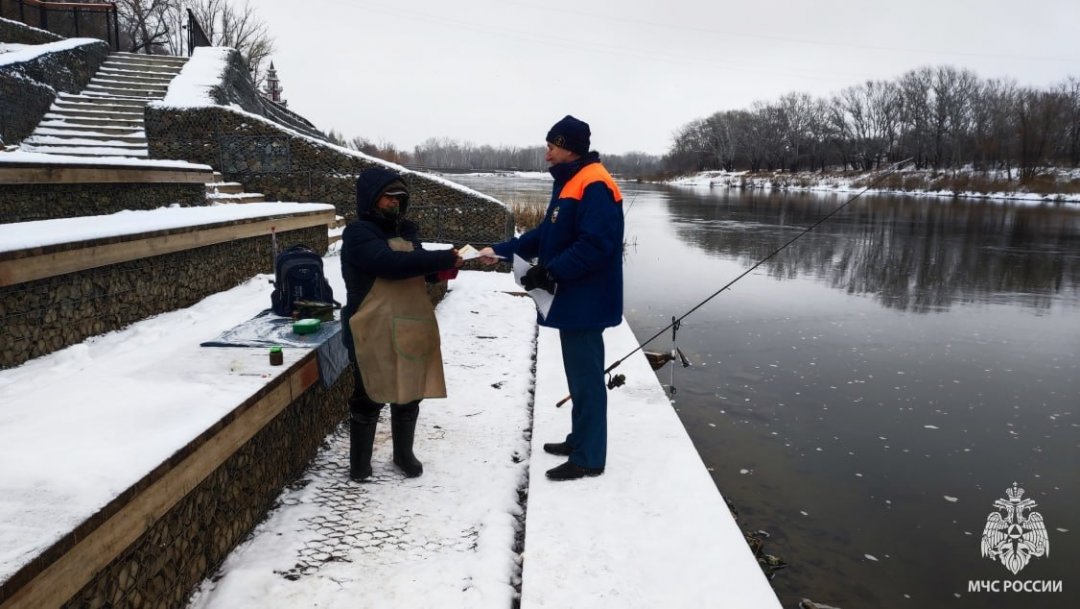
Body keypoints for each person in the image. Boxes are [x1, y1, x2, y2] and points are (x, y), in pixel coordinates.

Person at [479, 115, 624, 481]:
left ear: (569, 147)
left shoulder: (594, 184)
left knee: (587, 379)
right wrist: (500, 249)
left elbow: (597, 245)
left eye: (552, 145)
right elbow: (547, 233)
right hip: (574, 298)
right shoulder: (572, 182)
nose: (547, 153)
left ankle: (590, 457)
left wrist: (551, 271)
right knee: (578, 376)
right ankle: (580, 439)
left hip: (587, 300)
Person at [341, 167, 463, 481]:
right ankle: (360, 464)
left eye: (400, 198)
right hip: (370, 329)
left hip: (408, 326)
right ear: (371, 200)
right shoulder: (358, 233)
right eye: (388, 198)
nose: (395, 203)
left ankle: (403, 455)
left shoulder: (407, 232)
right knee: (369, 394)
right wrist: (440, 259)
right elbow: (390, 265)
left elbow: (420, 269)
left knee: (410, 392)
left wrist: (449, 267)